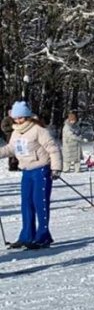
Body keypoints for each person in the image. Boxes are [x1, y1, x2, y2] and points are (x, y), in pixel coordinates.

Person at [0, 101, 62, 249]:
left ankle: (43, 236)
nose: (18, 121)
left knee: (40, 203)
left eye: (21, 117)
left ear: (27, 116)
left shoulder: (38, 130)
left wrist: (56, 168)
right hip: (26, 171)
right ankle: (27, 236)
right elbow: (11, 148)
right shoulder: (16, 131)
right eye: (16, 118)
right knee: (26, 203)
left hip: (41, 169)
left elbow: (53, 148)